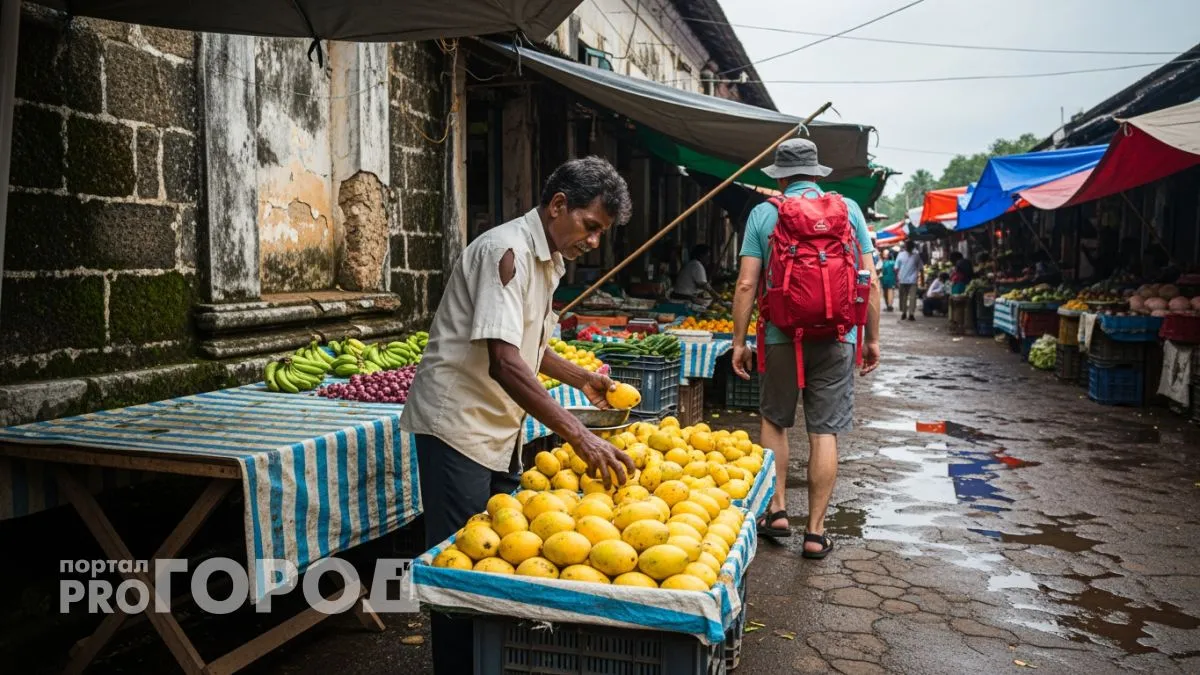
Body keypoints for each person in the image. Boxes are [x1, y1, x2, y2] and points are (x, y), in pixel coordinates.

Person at [400, 156, 636, 675]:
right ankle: (459, 667)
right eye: (591, 227)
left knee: (499, 556)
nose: (594, 242)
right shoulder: (505, 252)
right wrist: (581, 436)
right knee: (461, 567)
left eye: (602, 233)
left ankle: (488, 661)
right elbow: (505, 361)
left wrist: (581, 379)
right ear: (558, 206)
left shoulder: (547, 259)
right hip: (458, 426)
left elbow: (529, 344)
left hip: (499, 429)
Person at [729, 138, 881, 558]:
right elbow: (869, 281)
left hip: (780, 335)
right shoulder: (849, 210)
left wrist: (739, 342)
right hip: (837, 337)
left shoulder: (764, 213)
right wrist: (871, 339)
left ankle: (777, 511)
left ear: (780, 176)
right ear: (816, 173)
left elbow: (746, 283)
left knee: (775, 422)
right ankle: (815, 533)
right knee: (824, 431)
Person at [895, 240, 922, 320]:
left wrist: (922, 280)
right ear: (906, 246)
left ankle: (911, 313)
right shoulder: (900, 255)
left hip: (913, 280)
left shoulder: (916, 256)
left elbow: (921, 268)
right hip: (902, 279)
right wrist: (897, 278)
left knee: (912, 297)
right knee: (903, 297)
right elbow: (896, 268)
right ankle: (904, 312)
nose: (909, 247)